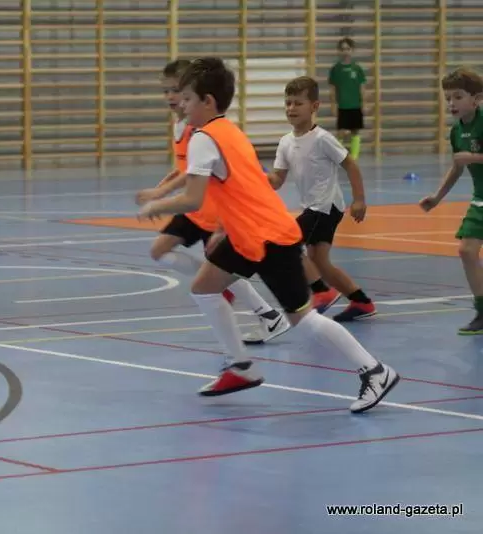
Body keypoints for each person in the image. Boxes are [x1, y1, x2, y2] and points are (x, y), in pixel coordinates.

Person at [137, 57, 399, 413]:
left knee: (303, 320)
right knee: (204, 287)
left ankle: (375, 370)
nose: (181, 105)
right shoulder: (226, 131)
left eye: (187, 99)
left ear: (208, 101)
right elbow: (239, 186)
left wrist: (156, 205)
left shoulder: (204, 138)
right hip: (246, 234)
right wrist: (224, 226)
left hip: (269, 237)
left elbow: (194, 198)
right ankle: (240, 366)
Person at [136, 59, 291, 344]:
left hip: (211, 207)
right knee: (161, 251)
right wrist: (161, 189)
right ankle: (258, 310)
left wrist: (160, 197)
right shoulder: (181, 125)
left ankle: (265, 315)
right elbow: (185, 169)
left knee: (219, 265)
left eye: (177, 91)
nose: (171, 97)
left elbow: (197, 172)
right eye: (166, 91)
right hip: (196, 207)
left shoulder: (200, 129)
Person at [269, 76, 376, 322]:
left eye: (298, 103)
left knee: (285, 243)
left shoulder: (322, 138)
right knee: (319, 261)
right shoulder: (285, 142)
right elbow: (277, 179)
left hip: (325, 206)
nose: (291, 108)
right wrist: (254, 179)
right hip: (313, 207)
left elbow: (350, 165)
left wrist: (359, 200)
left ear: (314, 106)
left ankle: (321, 292)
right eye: (288, 103)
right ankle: (361, 301)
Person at [420, 68, 483, 334]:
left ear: (476, 99)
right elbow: (457, 167)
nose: (451, 103)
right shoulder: (456, 131)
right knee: (466, 251)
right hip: (481, 199)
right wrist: (437, 197)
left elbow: (466, 159)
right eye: (448, 98)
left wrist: (474, 158)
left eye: (458, 97)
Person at [328, 37, 367, 160]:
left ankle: (354, 158)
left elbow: (362, 88)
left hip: (355, 105)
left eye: (348, 49)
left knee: (355, 131)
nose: (345, 51)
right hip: (342, 105)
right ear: (339, 51)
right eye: (343, 49)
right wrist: (333, 104)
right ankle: (339, 157)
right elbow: (332, 89)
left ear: (352, 50)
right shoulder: (336, 69)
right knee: (341, 132)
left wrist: (364, 104)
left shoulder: (357, 69)